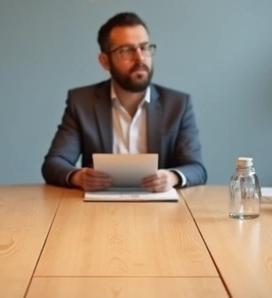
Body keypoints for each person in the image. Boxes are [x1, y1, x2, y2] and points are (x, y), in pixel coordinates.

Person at [42, 12, 206, 191]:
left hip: (159, 204)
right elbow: (54, 163)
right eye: (127, 50)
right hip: (100, 203)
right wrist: (79, 177)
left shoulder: (177, 105)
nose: (140, 58)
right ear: (105, 61)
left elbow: (196, 168)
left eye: (144, 47)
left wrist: (172, 177)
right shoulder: (82, 103)